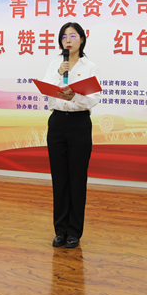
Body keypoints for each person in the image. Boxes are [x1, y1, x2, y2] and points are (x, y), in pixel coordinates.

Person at [43, 22, 100, 249]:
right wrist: (59, 73)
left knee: (77, 178)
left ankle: (74, 231)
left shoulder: (90, 66)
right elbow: (46, 90)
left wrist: (74, 97)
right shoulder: (55, 64)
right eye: (64, 36)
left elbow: (94, 98)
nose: (68, 40)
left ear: (82, 39)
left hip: (79, 123)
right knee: (59, 178)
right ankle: (60, 230)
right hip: (57, 122)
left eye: (73, 36)